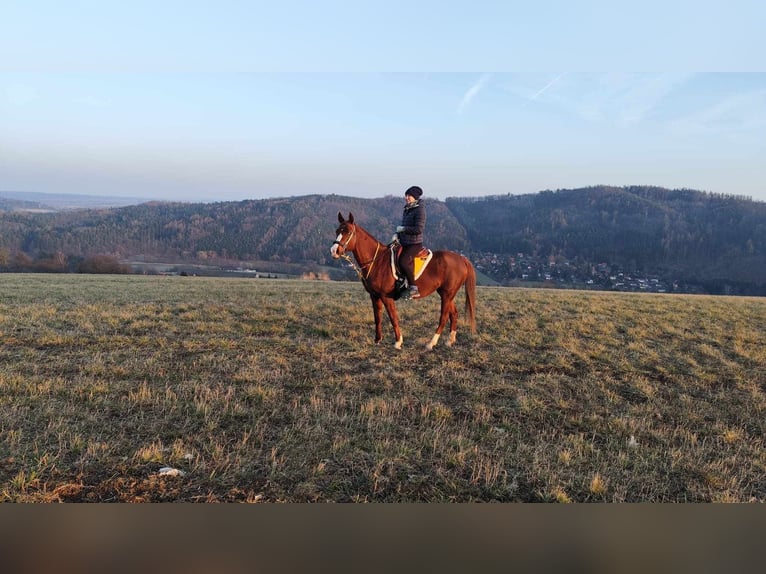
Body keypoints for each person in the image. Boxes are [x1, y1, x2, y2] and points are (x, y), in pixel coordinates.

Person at [396, 185, 426, 299]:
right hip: (404, 241)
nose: (406, 198)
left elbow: (419, 229)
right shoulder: (408, 208)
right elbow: (405, 225)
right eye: (406, 195)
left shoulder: (420, 210)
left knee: (403, 261)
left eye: (409, 196)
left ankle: (413, 288)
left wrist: (403, 229)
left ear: (415, 197)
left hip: (414, 244)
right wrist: (397, 234)